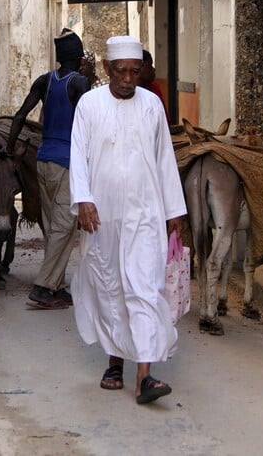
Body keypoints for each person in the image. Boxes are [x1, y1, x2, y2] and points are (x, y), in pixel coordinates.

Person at [69, 35, 187, 404]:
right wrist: (83, 199)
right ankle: (114, 362)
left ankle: (145, 376)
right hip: (102, 217)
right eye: (120, 71)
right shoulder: (89, 105)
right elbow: (78, 155)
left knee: (145, 287)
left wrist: (174, 211)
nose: (127, 79)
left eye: (135, 72)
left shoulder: (152, 105)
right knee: (110, 286)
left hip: (144, 215)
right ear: (107, 69)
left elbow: (165, 160)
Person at [6, 29, 90, 308]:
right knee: (65, 226)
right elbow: (89, 121)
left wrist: (9, 149)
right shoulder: (79, 83)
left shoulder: (45, 81)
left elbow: (20, 115)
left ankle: (55, 286)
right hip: (67, 162)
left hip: (43, 159)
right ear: (79, 58)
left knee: (55, 225)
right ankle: (42, 287)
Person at [139, 49, 171, 123]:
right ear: (140, 67)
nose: (154, 69)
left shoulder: (154, 88)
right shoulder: (128, 93)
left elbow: (164, 119)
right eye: (150, 66)